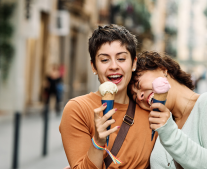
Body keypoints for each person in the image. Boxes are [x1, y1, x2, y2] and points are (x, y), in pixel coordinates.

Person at [59, 25, 156, 169]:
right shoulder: (77, 109)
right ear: (93, 67)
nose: (114, 66)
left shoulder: (150, 110)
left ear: (134, 63)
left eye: (121, 59)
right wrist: (98, 142)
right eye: (105, 60)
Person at [129, 51, 207, 169]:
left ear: (163, 70)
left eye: (138, 84)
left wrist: (170, 134)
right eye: (135, 97)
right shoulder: (163, 123)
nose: (139, 96)